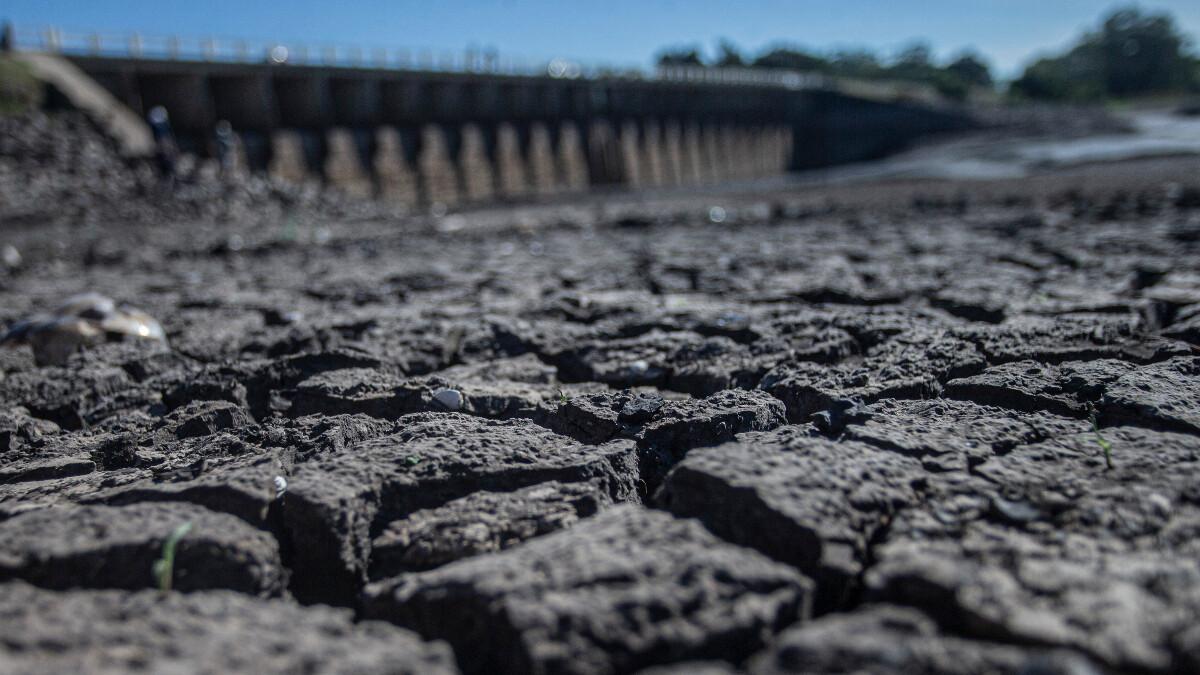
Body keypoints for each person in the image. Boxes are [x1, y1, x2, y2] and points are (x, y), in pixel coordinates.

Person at [147, 106, 177, 190]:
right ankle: (164, 181)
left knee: (166, 164)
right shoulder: (159, 126)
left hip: (164, 150)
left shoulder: (160, 125)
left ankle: (167, 181)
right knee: (163, 164)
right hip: (162, 150)